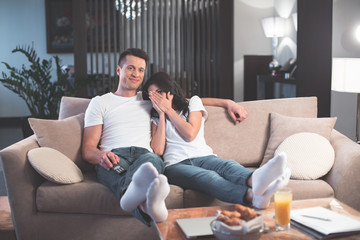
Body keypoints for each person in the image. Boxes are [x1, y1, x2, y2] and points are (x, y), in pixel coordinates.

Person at [81, 48, 248, 226]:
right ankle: (138, 201)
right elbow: (88, 149)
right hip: (116, 156)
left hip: (145, 157)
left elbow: (185, 100)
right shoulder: (100, 102)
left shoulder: (150, 99)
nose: (135, 74)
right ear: (118, 70)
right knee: (133, 171)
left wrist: (228, 103)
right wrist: (100, 155)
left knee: (153, 159)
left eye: (141, 70)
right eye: (130, 68)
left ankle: (129, 199)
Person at [142, 72, 291, 209]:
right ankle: (252, 196)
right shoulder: (156, 117)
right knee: (209, 177)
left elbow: (190, 133)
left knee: (228, 165)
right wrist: (162, 115)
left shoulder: (193, 103)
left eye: (159, 93)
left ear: (169, 90)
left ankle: (257, 180)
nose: (156, 99)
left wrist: (169, 110)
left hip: (204, 156)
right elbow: (158, 150)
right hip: (175, 165)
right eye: (152, 96)